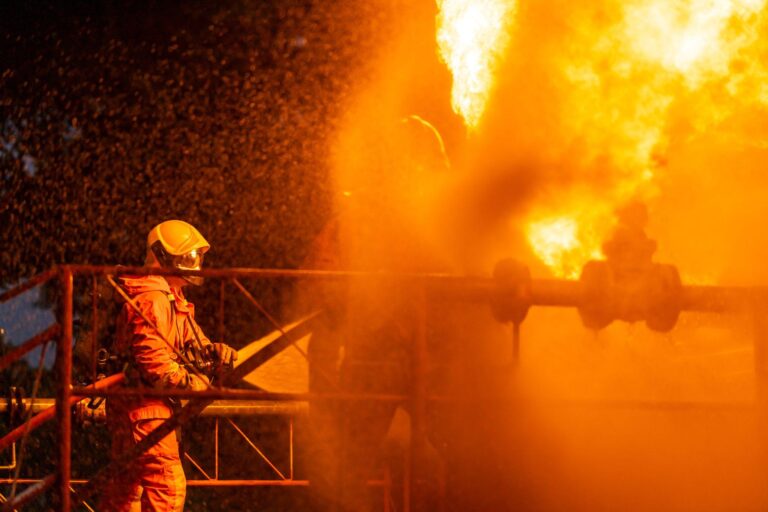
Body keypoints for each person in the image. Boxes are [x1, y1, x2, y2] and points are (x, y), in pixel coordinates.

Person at [101, 219, 237, 512]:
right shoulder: (152, 299)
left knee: (125, 493)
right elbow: (158, 369)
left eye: (197, 258)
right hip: (145, 412)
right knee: (167, 486)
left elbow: (193, 344)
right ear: (163, 256)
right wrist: (197, 385)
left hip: (138, 410)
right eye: (188, 257)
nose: (195, 265)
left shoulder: (170, 297)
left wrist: (215, 352)